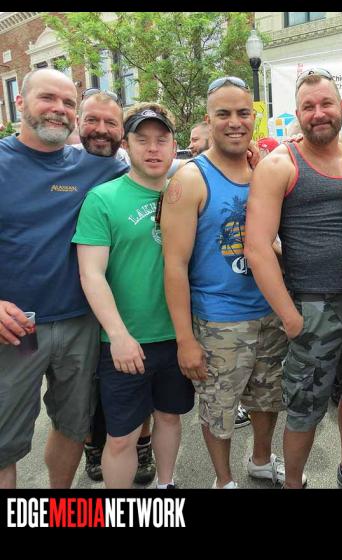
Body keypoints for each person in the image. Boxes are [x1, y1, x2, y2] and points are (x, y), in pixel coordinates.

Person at [245, 68, 342, 489]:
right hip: (312, 305)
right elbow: (257, 247)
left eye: (326, 104)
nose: (318, 113)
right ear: (298, 114)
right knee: (305, 406)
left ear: (341, 107)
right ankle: (293, 483)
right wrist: (289, 316)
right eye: (308, 107)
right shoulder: (280, 163)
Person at [162, 76, 293, 489]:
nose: (235, 122)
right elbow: (174, 265)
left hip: (269, 312)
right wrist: (185, 339)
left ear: (253, 118)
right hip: (219, 320)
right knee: (219, 409)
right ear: (209, 120)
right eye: (223, 114)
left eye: (242, 113)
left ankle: (261, 460)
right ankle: (223, 480)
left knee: (268, 399)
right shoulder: (190, 179)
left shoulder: (263, 171)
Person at [0, 68, 128, 489]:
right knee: (3, 443)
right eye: (47, 98)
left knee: (73, 425)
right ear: (20, 102)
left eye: (68, 103)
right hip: (14, 328)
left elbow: (157, 171)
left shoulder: (96, 166)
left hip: (78, 323)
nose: (59, 109)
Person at [72, 102, 194, 489]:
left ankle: (166, 485)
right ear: (127, 145)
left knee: (169, 418)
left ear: (174, 146)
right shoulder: (103, 198)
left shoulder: (187, 194)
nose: (153, 149)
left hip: (176, 337)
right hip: (125, 342)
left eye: (162, 140)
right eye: (143, 140)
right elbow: (91, 273)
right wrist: (118, 335)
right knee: (122, 436)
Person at [74, 89, 157, 485]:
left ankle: (141, 445)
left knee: (136, 383)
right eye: (92, 120)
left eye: (110, 122)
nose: (101, 129)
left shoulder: (129, 164)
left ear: (122, 134)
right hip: (69, 305)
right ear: (78, 122)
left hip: (124, 300)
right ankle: (94, 446)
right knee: (87, 391)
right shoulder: (61, 162)